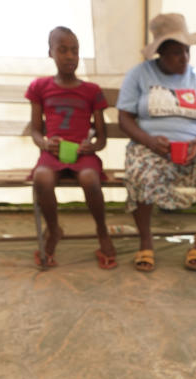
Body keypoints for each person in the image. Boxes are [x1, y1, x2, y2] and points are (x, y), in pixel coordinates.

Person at [116, 13, 196, 272]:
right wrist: (148, 140)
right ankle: (145, 242)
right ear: (160, 53)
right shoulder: (140, 74)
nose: (184, 58)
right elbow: (124, 118)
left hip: (191, 149)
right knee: (138, 174)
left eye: (186, 51)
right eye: (176, 53)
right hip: (149, 148)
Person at [27, 26, 115, 269]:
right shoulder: (39, 87)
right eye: (63, 50)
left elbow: (101, 139)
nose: (69, 56)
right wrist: (45, 143)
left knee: (89, 179)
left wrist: (91, 146)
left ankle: (102, 232)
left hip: (82, 155)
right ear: (50, 53)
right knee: (42, 179)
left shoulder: (91, 91)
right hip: (52, 154)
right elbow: (35, 130)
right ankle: (54, 230)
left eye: (74, 51)